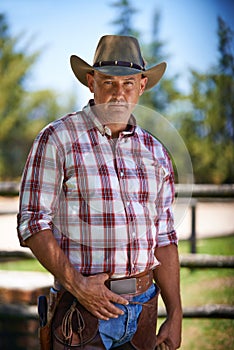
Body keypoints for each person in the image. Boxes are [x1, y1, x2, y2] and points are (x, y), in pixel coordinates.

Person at [17, 35, 182, 350]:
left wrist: (175, 312)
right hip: (82, 312)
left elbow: (165, 237)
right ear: (91, 82)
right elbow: (33, 222)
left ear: (142, 85)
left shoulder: (156, 151)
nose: (119, 93)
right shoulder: (57, 139)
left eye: (128, 84)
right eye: (108, 83)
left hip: (144, 312)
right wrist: (78, 285)